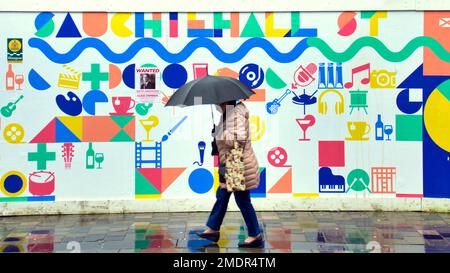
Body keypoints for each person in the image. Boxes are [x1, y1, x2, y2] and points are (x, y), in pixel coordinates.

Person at [196, 100, 264, 248]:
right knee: (222, 195)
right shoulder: (229, 113)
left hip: (237, 162)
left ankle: (255, 235)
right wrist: (217, 133)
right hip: (228, 163)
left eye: (219, 103)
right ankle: (213, 229)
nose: (217, 106)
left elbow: (237, 140)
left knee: (242, 201)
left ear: (227, 101)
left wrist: (220, 133)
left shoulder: (237, 114)